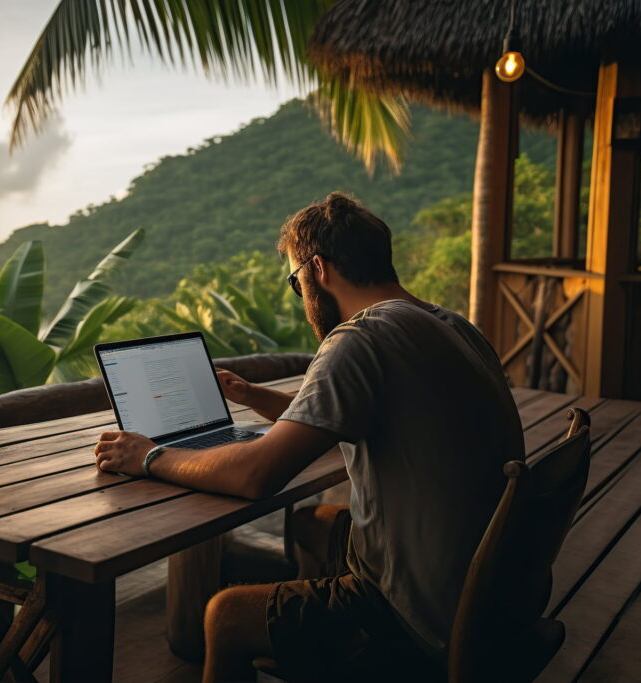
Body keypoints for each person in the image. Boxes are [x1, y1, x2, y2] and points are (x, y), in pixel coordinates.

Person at [93, 192, 524, 681]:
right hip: (488, 587)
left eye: (295, 282)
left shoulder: (360, 338)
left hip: (419, 611)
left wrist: (150, 457)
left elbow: (256, 475)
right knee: (310, 525)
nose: (300, 297)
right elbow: (351, 413)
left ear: (317, 269)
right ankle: (315, 646)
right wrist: (253, 394)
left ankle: (349, 644)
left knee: (225, 615)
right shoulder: (451, 325)